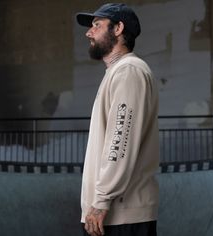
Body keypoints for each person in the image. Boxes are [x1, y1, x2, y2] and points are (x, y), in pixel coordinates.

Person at [76, 3, 159, 236]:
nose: (88, 32)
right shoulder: (117, 73)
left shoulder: (129, 71)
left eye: (97, 25)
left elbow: (119, 140)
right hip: (111, 214)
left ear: (118, 28)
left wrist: (101, 200)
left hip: (120, 215)